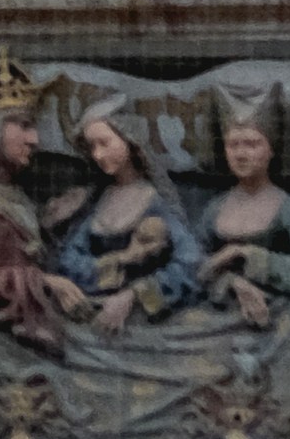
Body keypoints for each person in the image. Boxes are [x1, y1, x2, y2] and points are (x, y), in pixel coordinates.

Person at [50, 98, 205, 324]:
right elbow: (69, 259)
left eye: (104, 143)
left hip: (143, 316)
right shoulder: (100, 197)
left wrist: (134, 295)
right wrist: (120, 259)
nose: (97, 155)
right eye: (91, 147)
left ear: (129, 141)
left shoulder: (154, 201)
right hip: (94, 306)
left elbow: (192, 262)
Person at [198, 96, 290, 316]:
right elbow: (192, 262)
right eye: (233, 145)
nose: (241, 155)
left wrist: (251, 256)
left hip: (274, 312)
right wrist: (231, 281)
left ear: (271, 150)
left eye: (252, 144)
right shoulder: (215, 208)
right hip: (222, 307)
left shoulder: (288, 209)